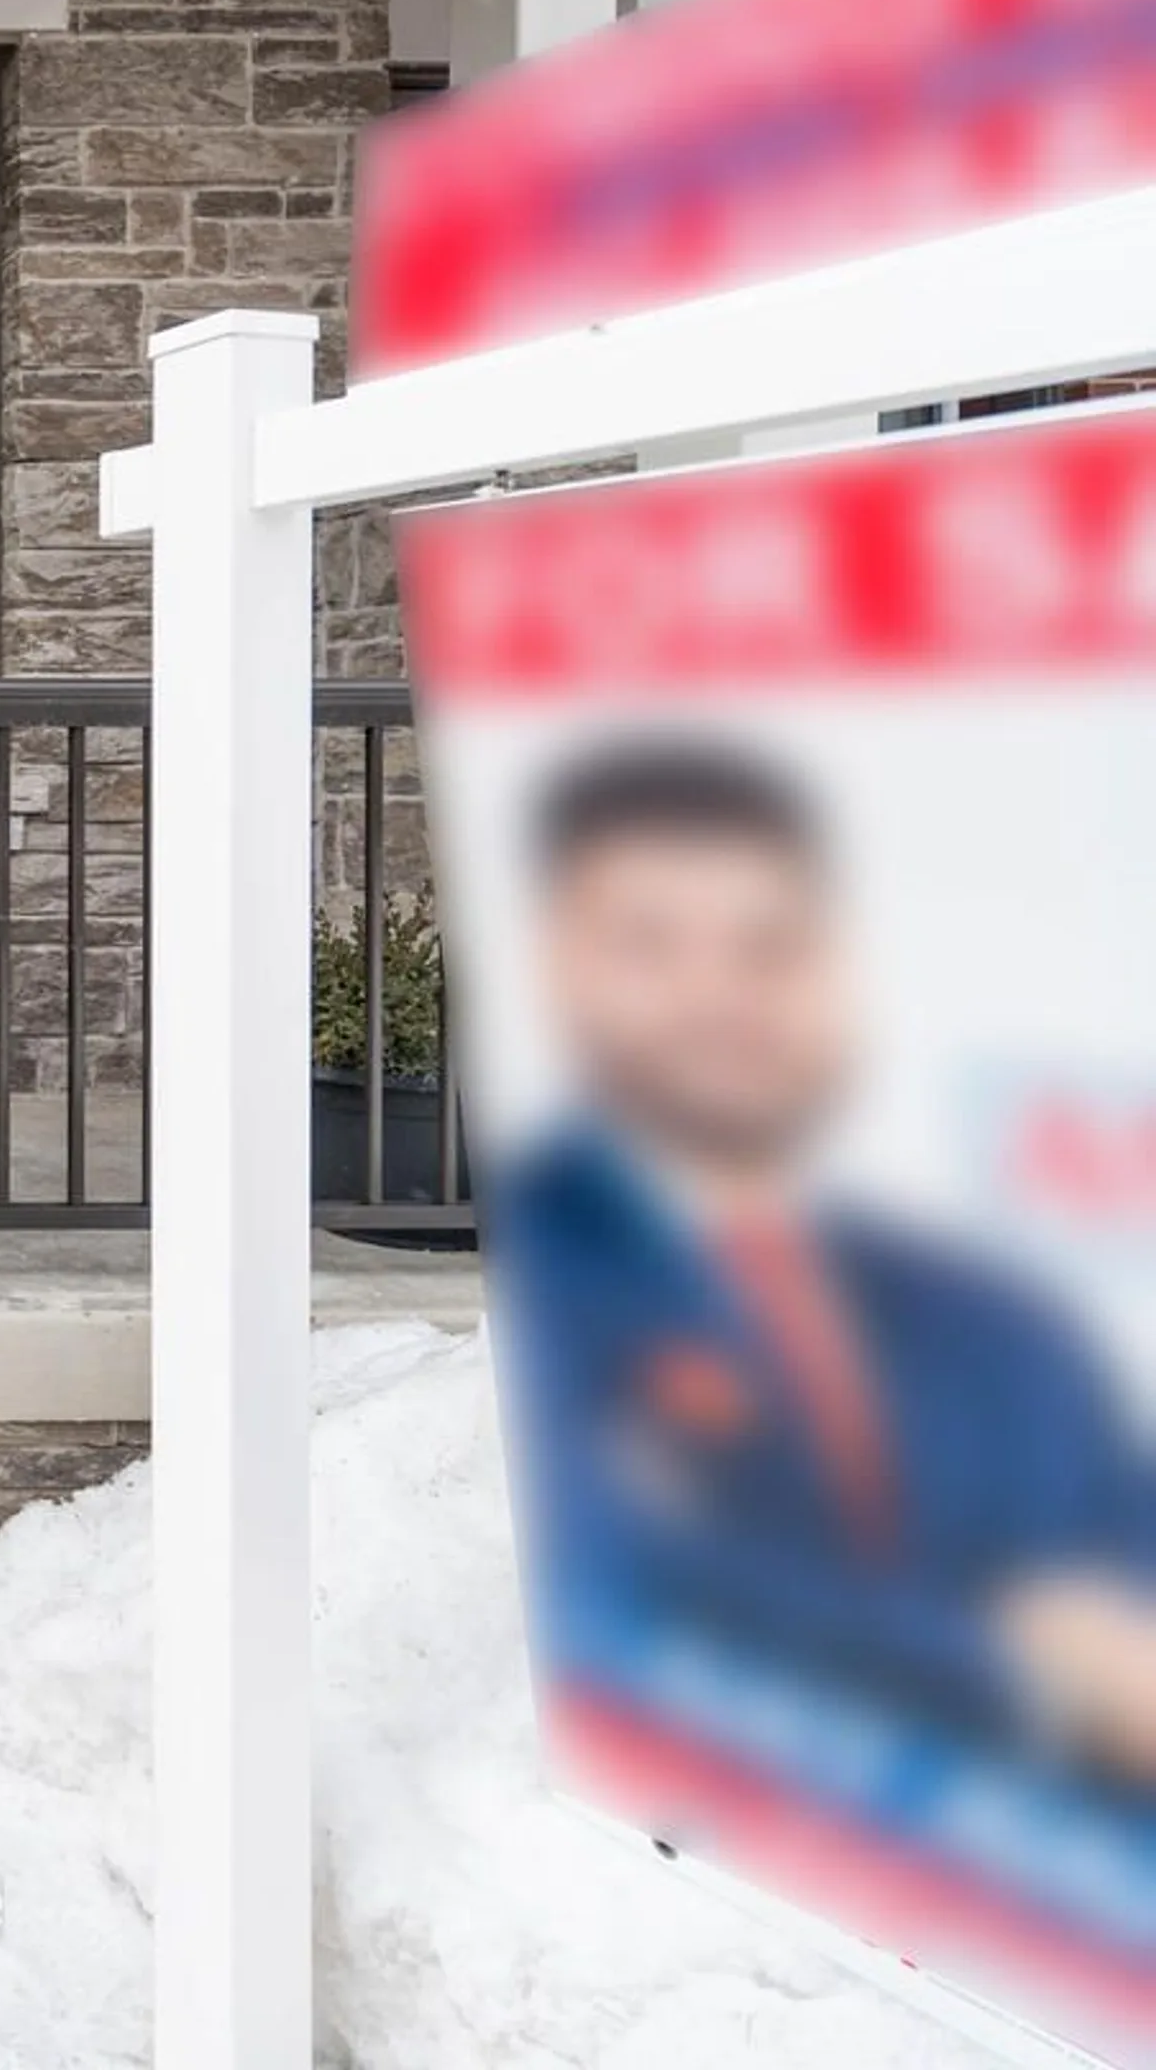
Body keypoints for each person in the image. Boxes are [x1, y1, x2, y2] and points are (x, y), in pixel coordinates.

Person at [490, 739, 1156, 1785]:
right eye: (650, 944)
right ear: (555, 964)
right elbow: (647, 1592)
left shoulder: (975, 1301)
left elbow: (1109, 1502)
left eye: (769, 948)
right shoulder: (555, 1278)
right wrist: (1032, 1668)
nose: (718, 997)